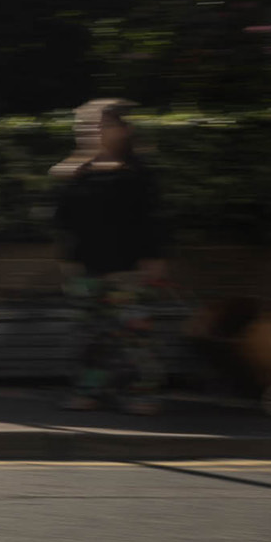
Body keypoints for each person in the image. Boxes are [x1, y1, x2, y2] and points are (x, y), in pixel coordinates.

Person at [51, 98, 169, 415]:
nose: (92, 131)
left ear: (124, 129)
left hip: (128, 270)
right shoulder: (78, 172)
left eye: (102, 125)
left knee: (135, 337)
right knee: (90, 337)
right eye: (87, 126)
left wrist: (154, 262)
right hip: (86, 269)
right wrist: (68, 264)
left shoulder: (139, 172)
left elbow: (152, 220)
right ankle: (90, 391)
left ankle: (142, 393)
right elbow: (63, 220)